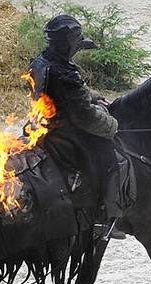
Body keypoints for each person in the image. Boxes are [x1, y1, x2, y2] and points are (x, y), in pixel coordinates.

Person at [26, 14, 128, 239]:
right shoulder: (66, 73)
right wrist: (113, 125)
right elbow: (85, 117)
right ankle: (105, 219)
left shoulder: (41, 62)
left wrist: (94, 96)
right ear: (68, 43)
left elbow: (70, 94)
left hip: (40, 124)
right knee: (115, 160)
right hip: (65, 131)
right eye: (76, 44)